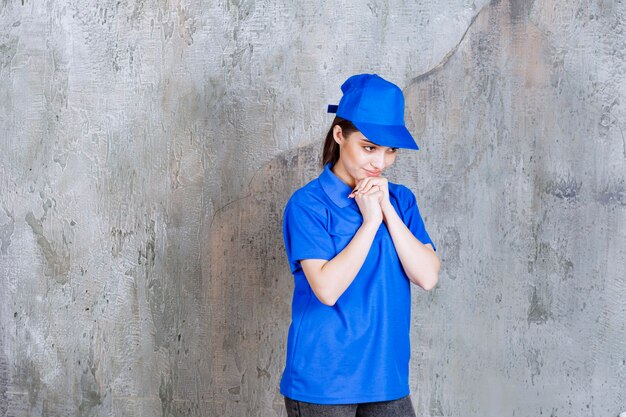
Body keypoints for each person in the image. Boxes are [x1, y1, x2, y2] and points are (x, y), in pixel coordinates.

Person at [280, 73, 441, 417]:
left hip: (386, 377)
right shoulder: (307, 204)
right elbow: (326, 289)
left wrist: (385, 211)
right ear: (340, 135)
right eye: (369, 147)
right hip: (324, 381)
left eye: (390, 151)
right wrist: (369, 223)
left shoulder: (401, 200)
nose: (379, 163)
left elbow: (427, 276)